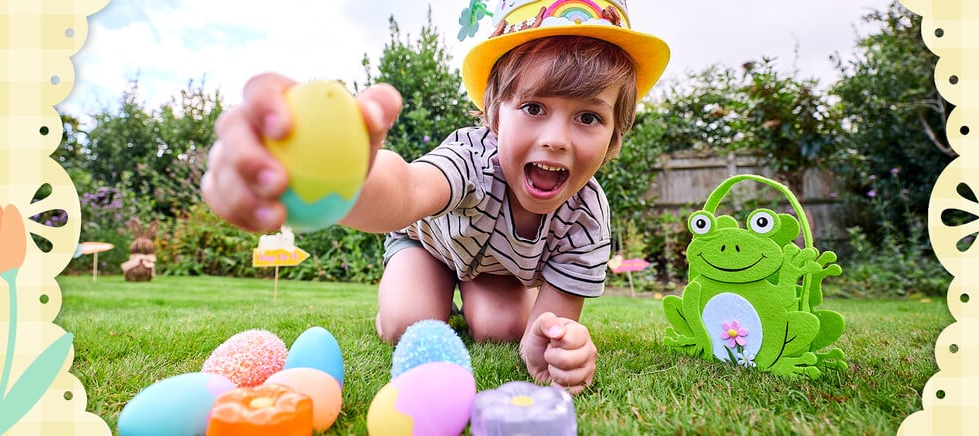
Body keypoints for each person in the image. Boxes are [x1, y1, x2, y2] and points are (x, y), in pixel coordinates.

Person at [200, 0, 669, 394]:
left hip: (493, 270)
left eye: (589, 117)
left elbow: (549, 331)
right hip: (427, 246)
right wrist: (343, 173)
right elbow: (405, 189)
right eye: (532, 107)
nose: (557, 139)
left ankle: (475, 300)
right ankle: (426, 295)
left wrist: (559, 346)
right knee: (411, 323)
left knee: (504, 332)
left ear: (614, 137)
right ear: (494, 116)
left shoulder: (587, 217)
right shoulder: (470, 158)